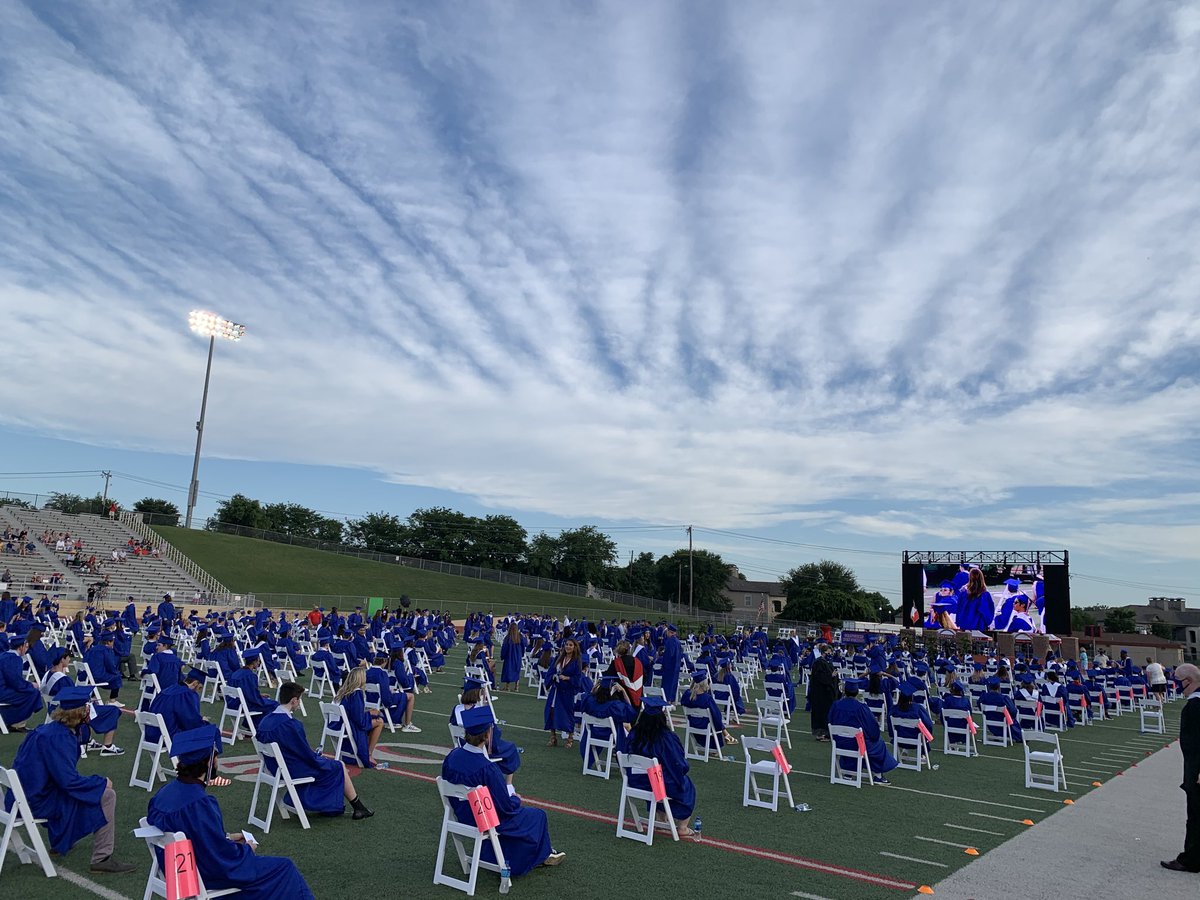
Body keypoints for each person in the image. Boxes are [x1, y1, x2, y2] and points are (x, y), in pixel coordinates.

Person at [147, 725, 315, 898]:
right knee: (284, 867)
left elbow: (196, 837)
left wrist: (226, 837)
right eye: (217, 756)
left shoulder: (162, 794)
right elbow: (222, 860)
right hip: (205, 878)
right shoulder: (200, 803)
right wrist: (247, 849)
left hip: (178, 873)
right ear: (209, 761)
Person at [5, 685, 136, 873]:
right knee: (107, 795)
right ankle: (102, 858)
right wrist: (101, 781)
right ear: (80, 713)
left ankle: (60, 844)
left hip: (21, 794)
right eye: (88, 706)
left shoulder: (46, 730)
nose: (91, 708)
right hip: (34, 800)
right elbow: (68, 782)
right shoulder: (59, 738)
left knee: (82, 791)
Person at [442, 706, 565, 874]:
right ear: (487, 735)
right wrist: (515, 798)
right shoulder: (486, 768)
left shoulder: (452, 757)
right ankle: (540, 856)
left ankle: (493, 855)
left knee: (516, 813)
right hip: (485, 819)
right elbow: (506, 807)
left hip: (462, 815)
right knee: (537, 815)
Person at [255, 682, 374, 820]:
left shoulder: (265, 721)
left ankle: (337, 807)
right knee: (338, 766)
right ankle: (357, 807)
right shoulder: (291, 725)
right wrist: (318, 756)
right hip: (290, 769)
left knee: (330, 765)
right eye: (299, 700)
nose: (299, 703)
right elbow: (306, 755)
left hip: (273, 767)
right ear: (294, 701)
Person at [625, 697, 697, 836]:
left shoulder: (634, 734)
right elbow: (678, 764)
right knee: (686, 785)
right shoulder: (666, 738)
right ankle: (682, 827)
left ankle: (661, 820)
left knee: (659, 778)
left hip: (636, 781)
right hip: (656, 784)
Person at [1161, 663, 1200, 873]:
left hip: (1197, 769)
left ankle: (1191, 859)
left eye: (1178, 680)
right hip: (1194, 765)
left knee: (1196, 815)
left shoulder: (1196, 706)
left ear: (1188, 681)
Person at [828, 679, 898, 784]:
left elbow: (830, 721)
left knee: (855, 740)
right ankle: (878, 775)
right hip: (858, 744)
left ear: (844, 691)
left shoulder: (835, 705)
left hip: (839, 743)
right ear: (857, 692)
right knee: (877, 743)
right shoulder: (861, 708)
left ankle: (848, 772)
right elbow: (872, 728)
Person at [335, 667, 385, 768]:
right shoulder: (357, 693)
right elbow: (359, 719)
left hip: (341, 723)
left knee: (374, 718)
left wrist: (368, 713)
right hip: (351, 725)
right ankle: (369, 754)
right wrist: (370, 714)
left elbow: (354, 712)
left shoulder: (345, 691)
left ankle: (368, 751)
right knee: (380, 722)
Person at [544, 638, 584, 748]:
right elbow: (551, 671)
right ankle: (553, 737)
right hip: (556, 689)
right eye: (566, 644)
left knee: (567, 713)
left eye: (571, 645)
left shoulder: (577, 661)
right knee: (551, 711)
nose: (568, 647)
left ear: (575, 647)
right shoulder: (559, 658)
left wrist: (567, 678)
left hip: (567, 691)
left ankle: (570, 737)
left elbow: (578, 678)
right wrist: (552, 677)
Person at [0, 630, 43, 731]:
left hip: (3, 687)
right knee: (33, 693)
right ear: (20, 647)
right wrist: (30, 685)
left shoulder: (3, 655)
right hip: (2, 692)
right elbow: (16, 683)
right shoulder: (14, 659)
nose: (27, 649)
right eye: (26, 646)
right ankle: (17, 723)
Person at [807, 644, 837, 742]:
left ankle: (826, 732)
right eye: (828, 652)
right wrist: (831, 676)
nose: (830, 654)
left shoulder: (827, 662)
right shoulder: (819, 663)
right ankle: (822, 733)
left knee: (826, 713)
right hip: (821, 693)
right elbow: (819, 678)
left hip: (826, 693)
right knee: (822, 713)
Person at [499, 621, 527, 692]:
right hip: (517, 657)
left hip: (509, 657)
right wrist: (522, 654)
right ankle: (516, 687)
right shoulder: (520, 637)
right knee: (517, 670)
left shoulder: (508, 638)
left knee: (508, 671)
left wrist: (503, 656)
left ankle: (507, 687)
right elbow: (523, 647)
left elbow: (504, 648)